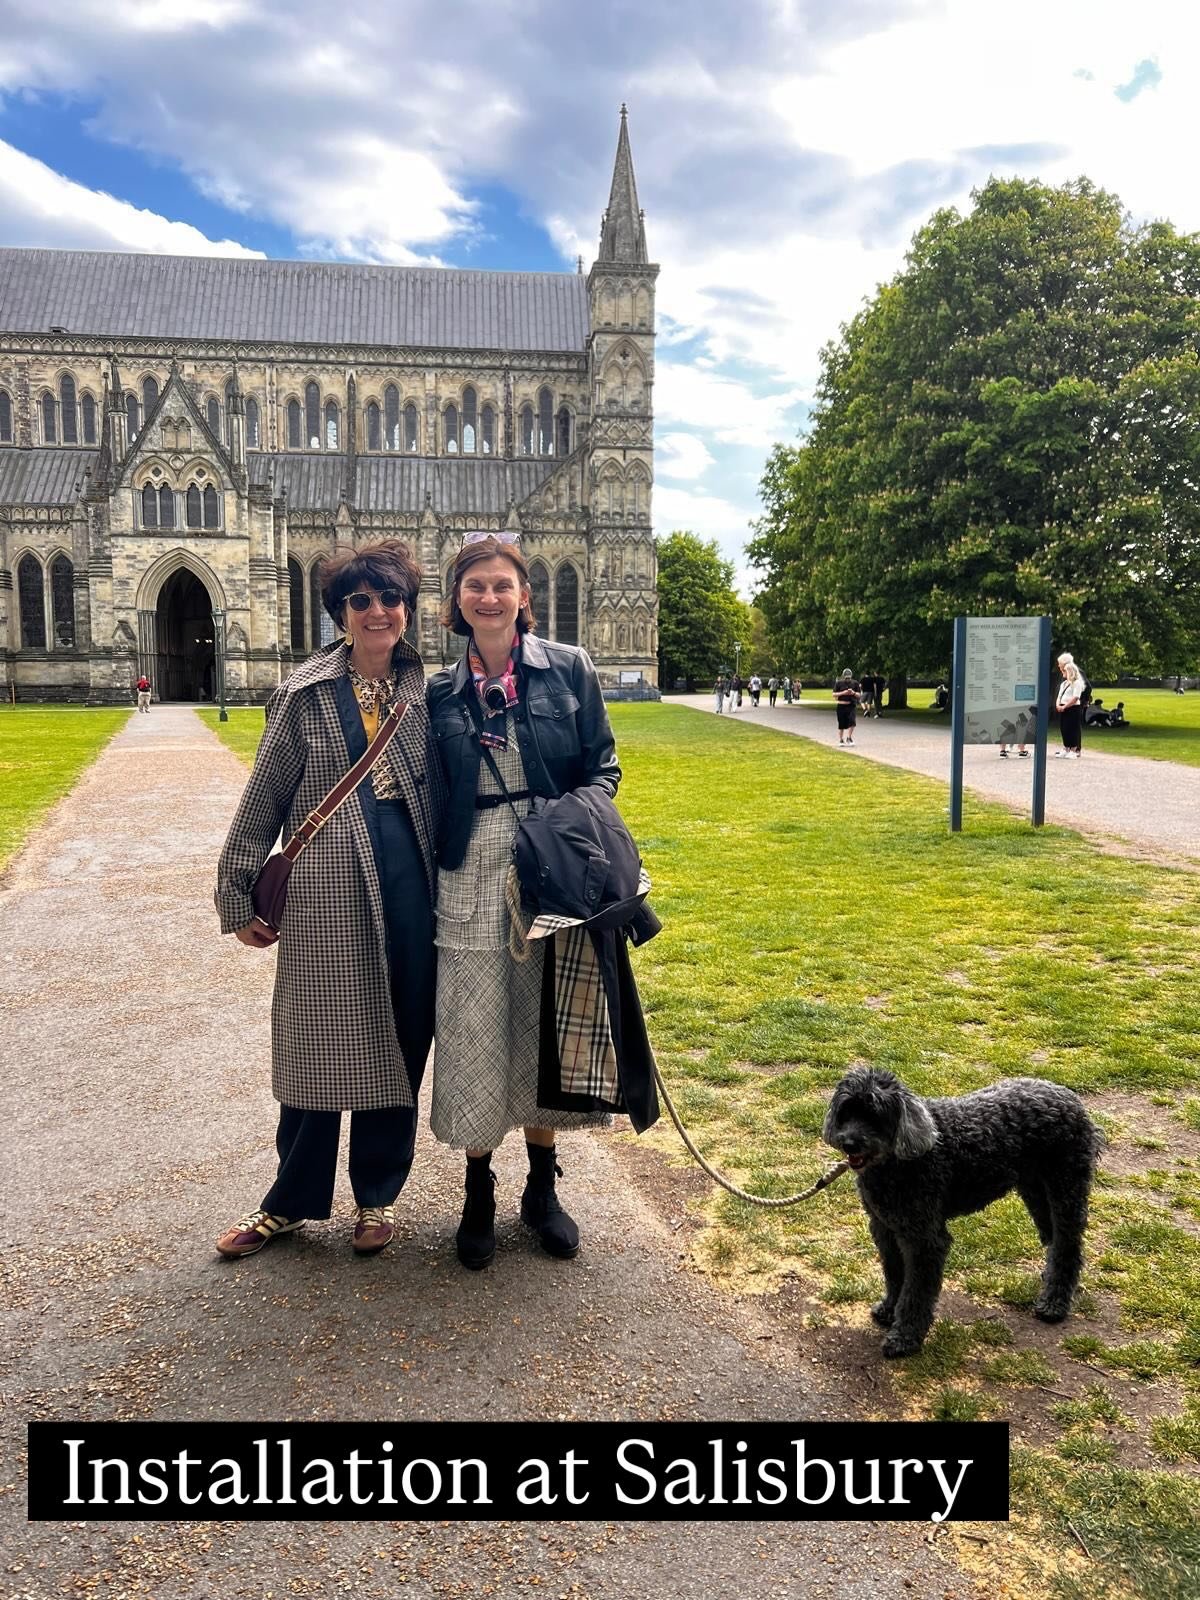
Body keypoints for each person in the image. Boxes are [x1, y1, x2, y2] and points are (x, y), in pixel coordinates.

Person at [428, 531, 651, 1271]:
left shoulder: (570, 670)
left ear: (524, 596)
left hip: (549, 859)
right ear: (456, 602)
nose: (489, 597)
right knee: (473, 1022)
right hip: (470, 867)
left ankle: (542, 1187)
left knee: (544, 1020)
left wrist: (568, 829)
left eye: (501, 585)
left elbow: (604, 767)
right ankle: (478, 1186)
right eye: (474, 586)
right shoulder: (436, 691)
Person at [213, 540, 439, 1260]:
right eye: (361, 600)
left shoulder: (425, 693)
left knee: (400, 1042)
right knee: (314, 1044)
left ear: (406, 608)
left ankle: (377, 1196)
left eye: (389, 598)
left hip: (411, 880)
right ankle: (289, 1202)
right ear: (340, 614)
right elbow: (263, 803)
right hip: (326, 886)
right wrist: (236, 894)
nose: (378, 611)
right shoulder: (301, 694)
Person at [1055, 651, 1086, 759]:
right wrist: (1058, 704)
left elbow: (1076, 696)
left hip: (1073, 707)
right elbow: (1059, 695)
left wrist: (1065, 706)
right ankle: (1066, 747)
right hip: (1064, 707)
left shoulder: (1077, 682)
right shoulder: (1064, 683)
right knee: (1064, 728)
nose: (1060, 668)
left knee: (1073, 728)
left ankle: (1074, 749)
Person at [833, 668, 860, 745]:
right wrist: (843, 693)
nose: (847, 679)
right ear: (843, 676)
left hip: (851, 705)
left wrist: (853, 693)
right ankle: (841, 740)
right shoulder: (839, 683)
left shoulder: (855, 683)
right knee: (841, 723)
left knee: (852, 722)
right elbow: (834, 694)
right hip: (841, 705)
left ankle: (849, 737)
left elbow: (859, 695)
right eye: (846, 677)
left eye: (849, 677)